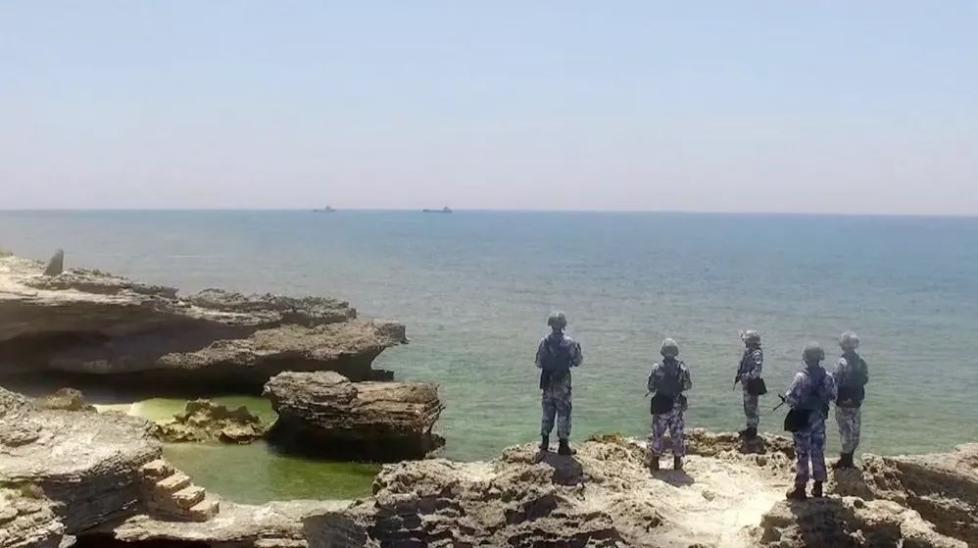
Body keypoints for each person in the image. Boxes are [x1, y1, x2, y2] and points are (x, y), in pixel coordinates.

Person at [784, 342, 837, 500]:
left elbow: (791, 398)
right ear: (820, 357)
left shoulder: (801, 377)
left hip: (802, 420)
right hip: (819, 419)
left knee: (802, 453)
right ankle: (818, 486)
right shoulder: (828, 377)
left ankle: (800, 488)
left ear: (806, 358)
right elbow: (834, 396)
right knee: (818, 451)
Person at [535, 311, 583, 456]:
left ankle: (545, 442)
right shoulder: (570, 343)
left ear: (550, 325)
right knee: (564, 413)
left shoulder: (544, 342)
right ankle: (563, 445)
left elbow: (538, 363)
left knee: (547, 412)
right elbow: (577, 361)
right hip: (562, 383)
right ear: (563, 325)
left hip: (547, 382)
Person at [647, 338, 693, 471]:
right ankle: (677, 461)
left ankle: (655, 461)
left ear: (662, 351)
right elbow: (688, 386)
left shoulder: (656, 368)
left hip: (661, 405)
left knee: (658, 434)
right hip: (676, 405)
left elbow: (651, 387)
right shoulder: (682, 368)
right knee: (677, 434)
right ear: (676, 351)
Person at [832, 331, 869, 469]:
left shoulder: (841, 362)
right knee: (854, 431)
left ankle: (845, 460)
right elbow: (865, 379)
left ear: (843, 346)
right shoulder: (861, 362)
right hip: (856, 401)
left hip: (843, 402)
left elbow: (834, 381)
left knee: (845, 431)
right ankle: (849, 459)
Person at [735, 330, 765, 439]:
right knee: (747, 407)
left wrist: (745, 376)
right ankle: (749, 427)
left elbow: (757, 370)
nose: (745, 342)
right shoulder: (749, 351)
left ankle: (752, 430)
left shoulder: (756, 353)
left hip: (752, 383)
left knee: (752, 407)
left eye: (746, 340)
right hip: (747, 383)